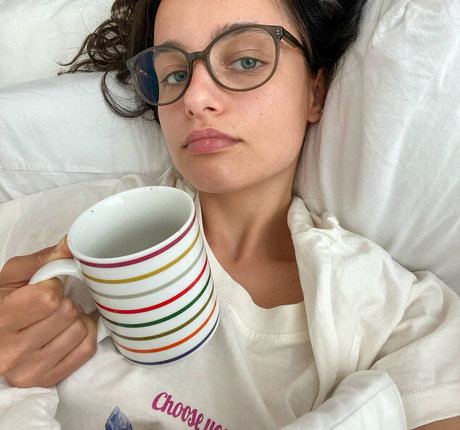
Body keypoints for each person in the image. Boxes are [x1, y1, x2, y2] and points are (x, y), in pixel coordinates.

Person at [0, 0, 459, 428]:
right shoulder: (67, 232)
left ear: (315, 93)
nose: (195, 98)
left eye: (246, 62)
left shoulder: (400, 317)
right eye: (175, 74)